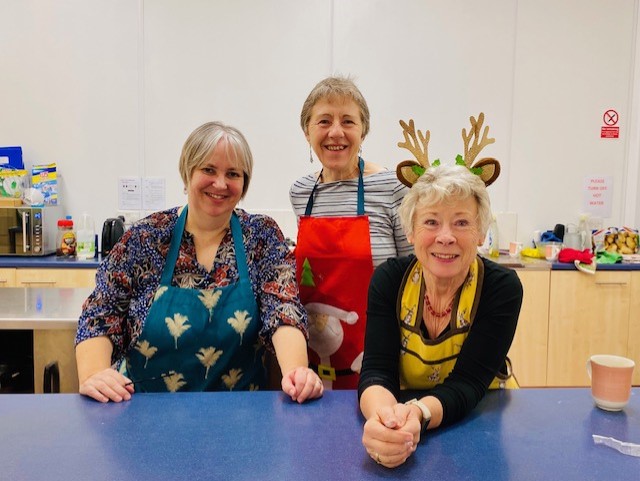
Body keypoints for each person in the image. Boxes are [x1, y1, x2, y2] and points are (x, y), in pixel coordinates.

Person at [76, 121, 323, 403]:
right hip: (145, 415)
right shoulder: (145, 238)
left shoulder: (260, 236)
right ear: (188, 171)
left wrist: (296, 371)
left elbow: (283, 310)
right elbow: (100, 315)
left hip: (240, 417)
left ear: (244, 183)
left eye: (233, 173)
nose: (220, 183)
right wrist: (94, 373)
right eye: (208, 170)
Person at [358, 164, 523, 468]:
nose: (445, 237)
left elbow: (469, 383)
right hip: (404, 415)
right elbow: (377, 371)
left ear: (481, 233)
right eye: (431, 222)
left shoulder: (501, 288)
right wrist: (385, 420)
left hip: (480, 420)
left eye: (461, 223)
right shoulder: (389, 280)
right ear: (410, 231)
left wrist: (418, 415)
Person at [290, 76, 412, 390]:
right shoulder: (301, 192)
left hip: (380, 353)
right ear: (307, 132)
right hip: (316, 360)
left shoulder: (391, 187)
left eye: (348, 121)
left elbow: (414, 274)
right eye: (324, 121)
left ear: (363, 131)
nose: (336, 132)